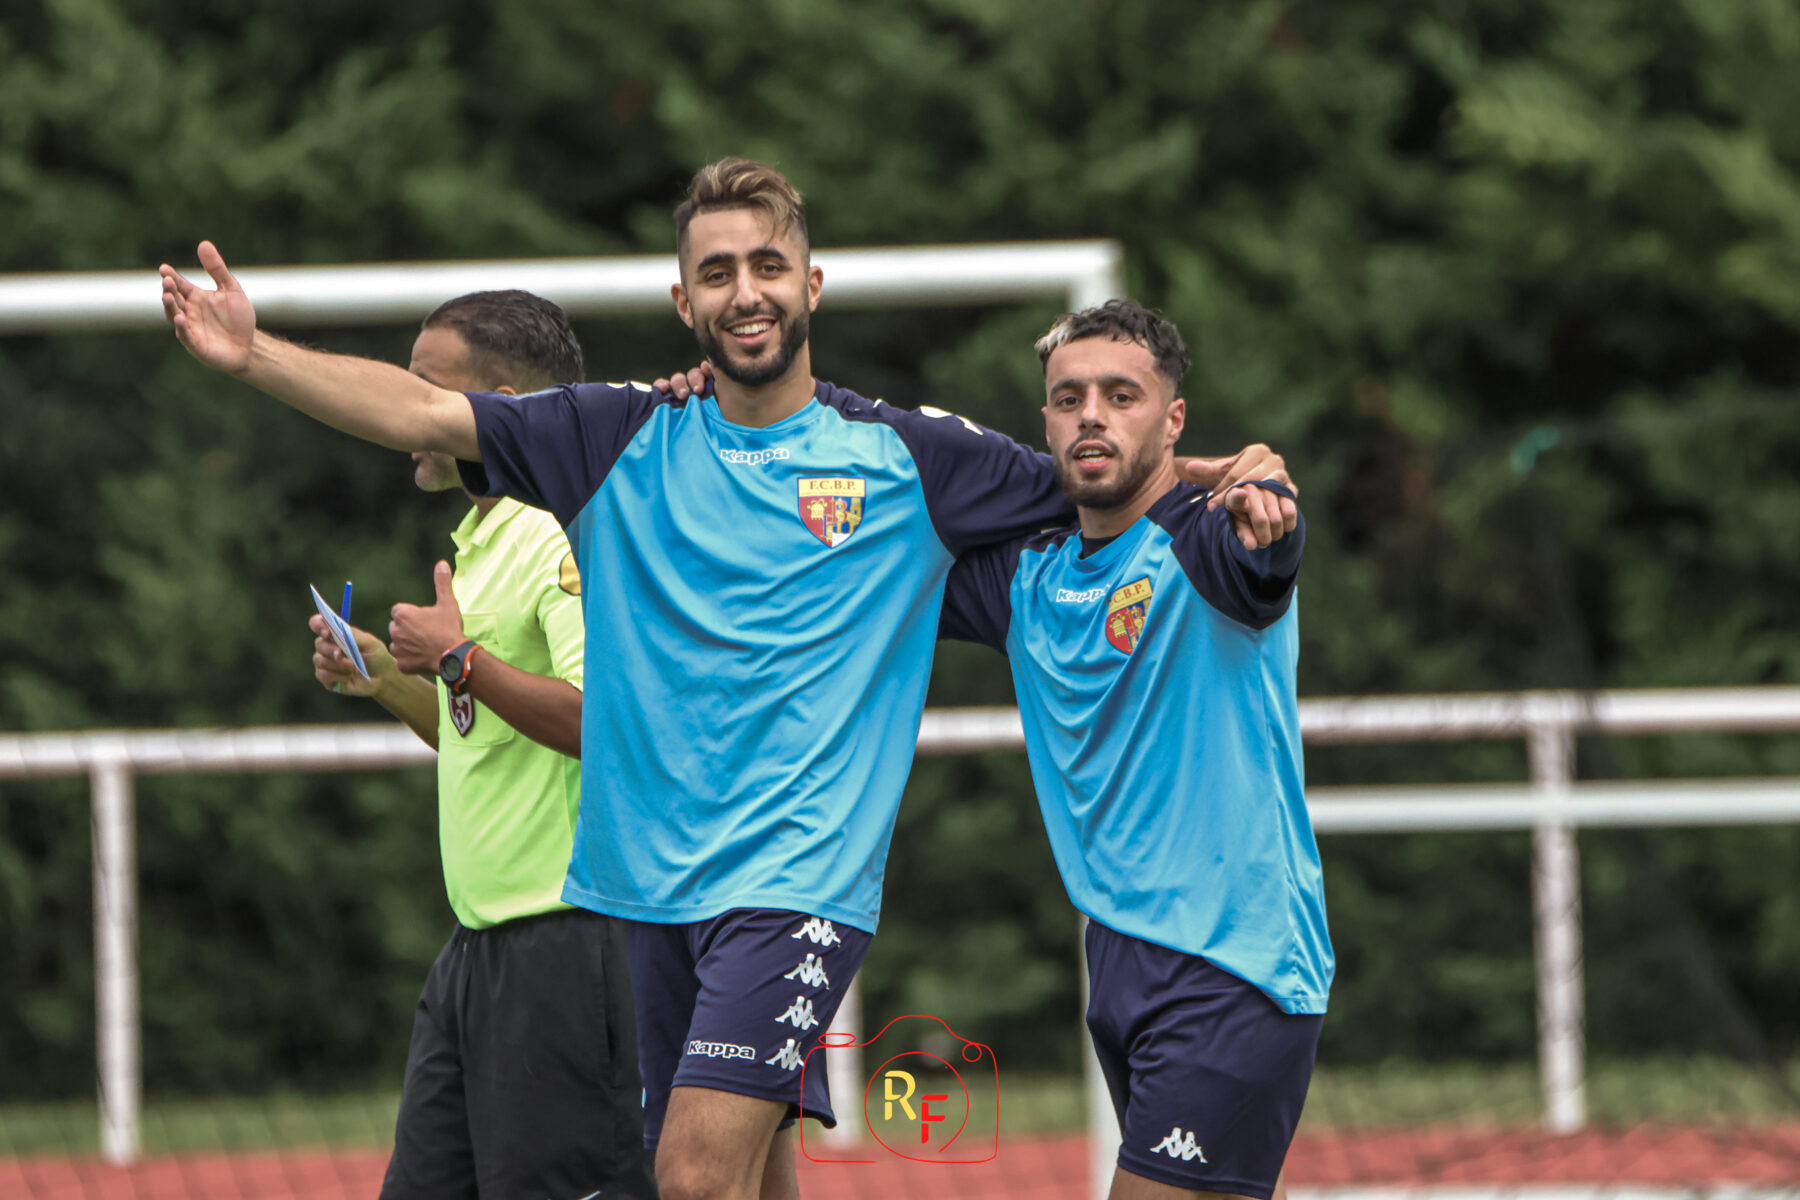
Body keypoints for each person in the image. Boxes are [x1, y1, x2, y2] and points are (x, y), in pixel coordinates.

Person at [160, 157, 1293, 1200]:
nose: (745, 292)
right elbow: (420, 409)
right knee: (747, 1180)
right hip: (651, 892)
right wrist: (253, 354)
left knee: (694, 1176)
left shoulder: (913, 460)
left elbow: (1099, 474)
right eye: (717, 272)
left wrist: (1217, 478)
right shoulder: (617, 436)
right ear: (683, 304)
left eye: (765, 265)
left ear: (811, 283)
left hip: (797, 883)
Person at [940, 299, 1331, 1200]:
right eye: (1069, 397)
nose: (1092, 415)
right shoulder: (1028, 575)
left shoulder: (1206, 537)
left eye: (1122, 395)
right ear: (1044, 419)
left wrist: (1271, 514)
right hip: (1120, 967)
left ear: (1173, 418)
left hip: (1233, 969)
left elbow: (1266, 549)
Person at [308, 290, 655, 1200]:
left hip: (570, 944)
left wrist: (459, 660)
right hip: (478, 950)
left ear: (496, 406)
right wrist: (390, 679)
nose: (403, 412)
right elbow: (485, 737)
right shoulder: (479, 542)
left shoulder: (560, 531)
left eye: (424, 388)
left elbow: (603, 723)